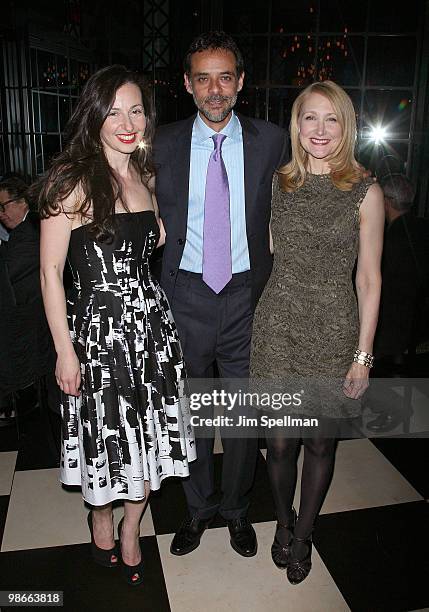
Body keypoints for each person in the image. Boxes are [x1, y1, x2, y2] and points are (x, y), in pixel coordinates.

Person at [37, 65, 196, 586]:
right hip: (99, 337)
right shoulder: (71, 181)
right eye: (113, 112)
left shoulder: (145, 176)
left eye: (136, 110)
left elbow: (146, 250)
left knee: (146, 441)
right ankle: (101, 516)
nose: (126, 122)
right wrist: (65, 350)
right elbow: (50, 272)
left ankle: (133, 526)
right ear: (94, 117)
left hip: (151, 331)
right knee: (108, 440)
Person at [154, 31, 288, 557]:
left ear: (240, 83)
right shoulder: (161, 142)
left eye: (225, 77)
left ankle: (235, 510)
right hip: (184, 293)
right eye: (204, 78)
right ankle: (197, 508)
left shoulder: (272, 140)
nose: (215, 90)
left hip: (244, 297)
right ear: (187, 85)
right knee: (189, 411)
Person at [250, 80, 384, 584]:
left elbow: (370, 279)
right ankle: (283, 525)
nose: (320, 129)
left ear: (345, 125)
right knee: (280, 444)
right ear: (297, 123)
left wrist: (362, 355)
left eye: (331, 119)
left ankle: (304, 535)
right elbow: (262, 251)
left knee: (321, 445)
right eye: (310, 117)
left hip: (334, 329)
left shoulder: (366, 191)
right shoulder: (277, 183)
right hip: (277, 324)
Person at [367, 173, 429, 432]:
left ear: (386, 201)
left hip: (399, 328)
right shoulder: (423, 228)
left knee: (350, 353)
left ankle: (392, 406)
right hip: (421, 322)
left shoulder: (390, 243)